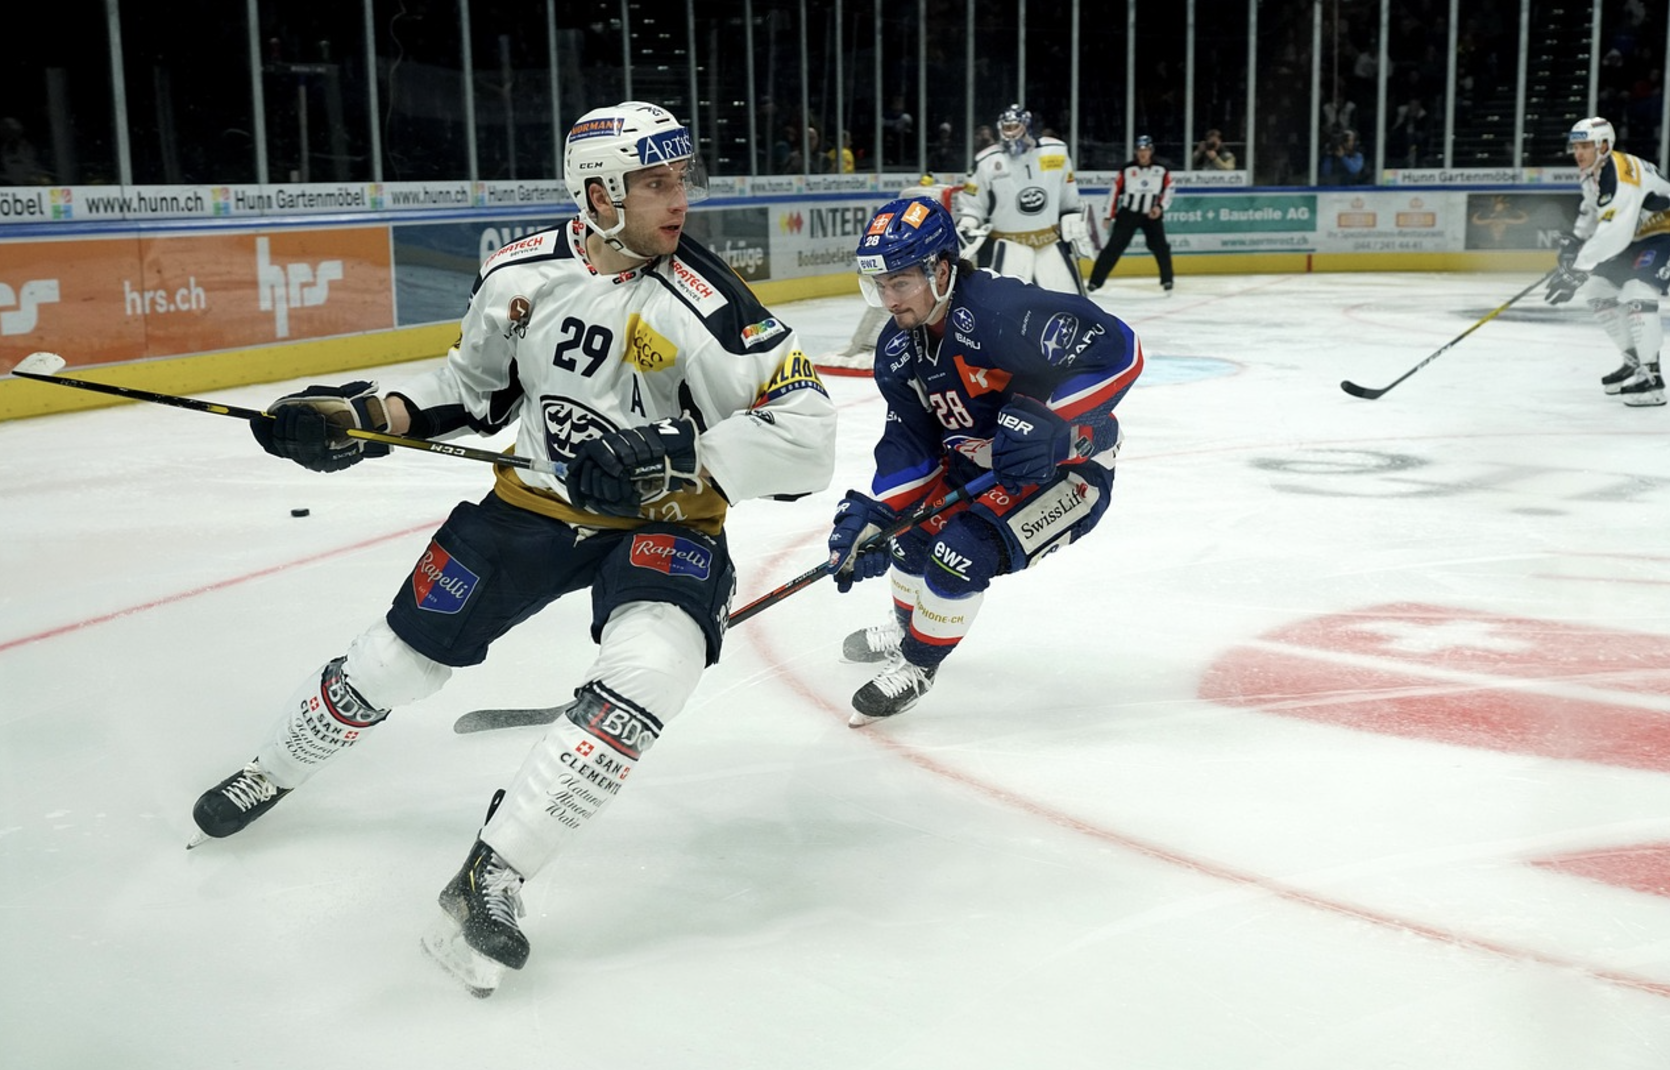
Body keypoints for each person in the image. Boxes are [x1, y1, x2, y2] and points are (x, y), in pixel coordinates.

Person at [187, 101, 838, 996]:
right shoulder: (518, 275)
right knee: (395, 662)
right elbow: (470, 390)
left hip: (668, 520)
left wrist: (677, 453)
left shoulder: (717, 304)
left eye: (681, 178)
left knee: (653, 671)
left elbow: (809, 436)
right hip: (534, 504)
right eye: (654, 182)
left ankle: (492, 873)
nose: (678, 199)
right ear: (598, 194)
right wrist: (361, 417)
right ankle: (272, 769)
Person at [828, 196, 1142, 724]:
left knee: (960, 550)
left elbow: (1120, 351)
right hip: (979, 465)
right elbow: (911, 440)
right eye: (879, 285)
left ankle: (918, 663)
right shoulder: (898, 349)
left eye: (899, 283)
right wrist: (879, 513)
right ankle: (908, 627)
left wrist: (1049, 416)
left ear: (941, 270)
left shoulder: (1003, 312)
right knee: (907, 532)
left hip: (1065, 471)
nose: (888, 300)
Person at [1544, 116, 1670, 407]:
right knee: (1597, 288)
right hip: (1638, 235)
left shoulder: (1622, 174)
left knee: (1638, 290)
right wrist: (1575, 240)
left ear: (1603, 145)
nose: (1578, 153)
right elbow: (1591, 210)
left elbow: (1614, 234)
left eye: (1585, 146)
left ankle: (1652, 379)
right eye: (1576, 147)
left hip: (1664, 233)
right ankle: (1634, 361)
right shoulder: (1592, 172)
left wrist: (1578, 269)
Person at [952, 103, 1094, 295]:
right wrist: (968, 224)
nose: (1010, 133)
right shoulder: (986, 160)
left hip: (1050, 245)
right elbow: (972, 205)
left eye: (1014, 127)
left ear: (1027, 126)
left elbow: (1068, 198)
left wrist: (1073, 216)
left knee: (1069, 304)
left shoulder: (1056, 151)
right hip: (1007, 248)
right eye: (1006, 128)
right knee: (1003, 306)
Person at [1087, 134, 1175, 294]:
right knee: (1113, 247)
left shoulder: (1161, 170)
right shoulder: (1127, 170)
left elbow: (1170, 189)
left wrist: (1160, 207)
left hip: (1151, 215)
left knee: (1161, 247)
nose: (1143, 153)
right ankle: (1094, 282)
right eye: (1140, 150)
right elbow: (1114, 192)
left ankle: (1167, 280)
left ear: (1151, 151)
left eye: (1146, 149)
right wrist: (1108, 215)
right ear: (1135, 151)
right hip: (1129, 214)